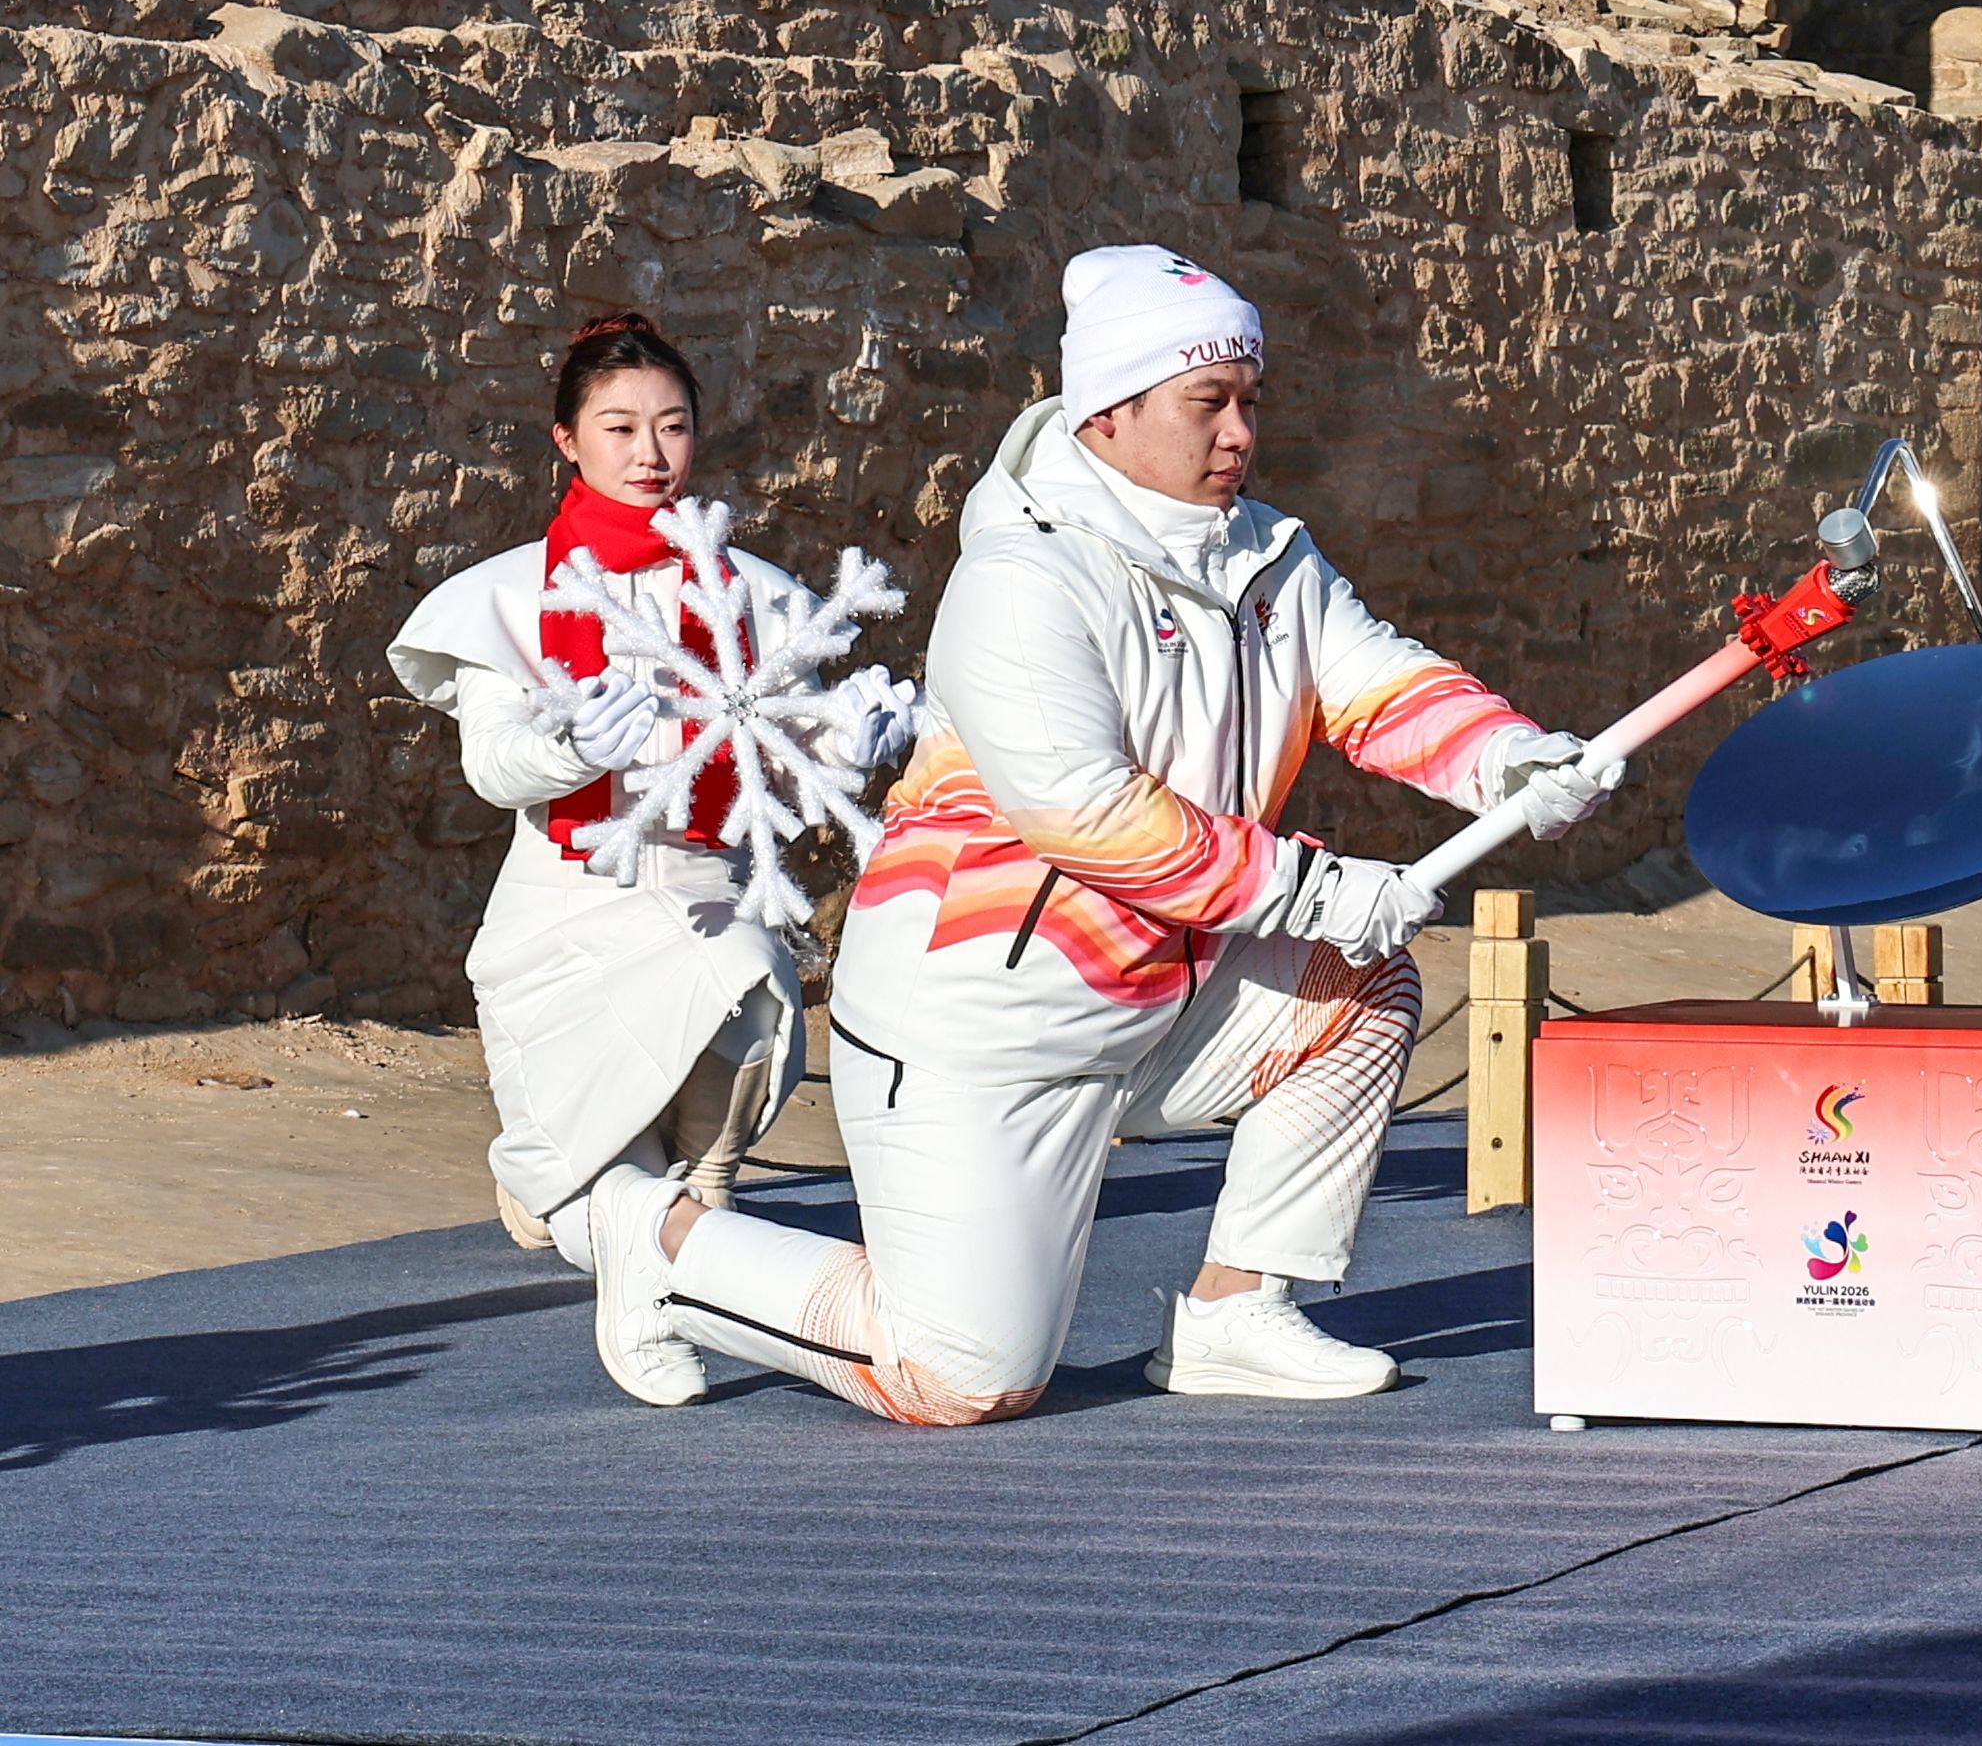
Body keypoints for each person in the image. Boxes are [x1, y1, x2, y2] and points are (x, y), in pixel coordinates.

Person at [573, 246, 1616, 1422]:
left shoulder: (1271, 556)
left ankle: (1235, 1312)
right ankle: (654, 1235)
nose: (1240, 433)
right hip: (975, 1026)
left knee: (1357, 982)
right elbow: (1089, 814)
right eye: (1208, 403)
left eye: (1250, 401)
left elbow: (1377, 684)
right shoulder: (1023, 580)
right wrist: (1318, 888)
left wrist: (1507, 759)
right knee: (958, 1380)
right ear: (1109, 411)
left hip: (1158, 1002)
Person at [386, 315, 905, 1271]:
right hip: (565, 904)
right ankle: (572, 1179)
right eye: (619, 428)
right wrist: (572, 750)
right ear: (567, 439)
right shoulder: (509, 595)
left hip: (706, 888)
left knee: (749, 988)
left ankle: (709, 1183)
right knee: (580, 1211)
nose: (650, 453)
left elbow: (787, 747)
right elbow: (493, 767)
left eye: (672, 426)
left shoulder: (753, 593)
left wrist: (851, 737)